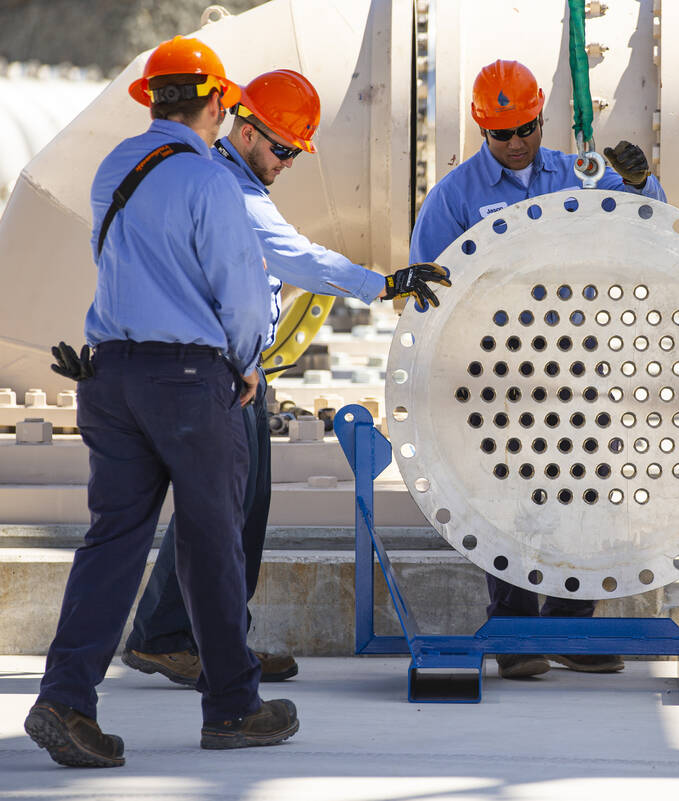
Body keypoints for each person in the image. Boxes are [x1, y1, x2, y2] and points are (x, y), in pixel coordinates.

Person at [120, 68, 450, 688]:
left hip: (236, 366)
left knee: (237, 508)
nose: (288, 160)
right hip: (222, 369)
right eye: (282, 147)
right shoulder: (228, 189)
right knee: (218, 509)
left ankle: (212, 642)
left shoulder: (231, 180)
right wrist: (380, 285)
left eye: (296, 152)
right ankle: (173, 639)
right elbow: (295, 255)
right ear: (244, 130)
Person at [25, 36, 297, 768]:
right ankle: (235, 707)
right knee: (211, 541)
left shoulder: (115, 168)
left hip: (108, 377)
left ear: (153, 99)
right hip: (188, 382)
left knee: (112, 540)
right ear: (214, 102)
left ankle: (65, 699)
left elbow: (115, 262)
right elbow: (242, 292)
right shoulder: (210, 181)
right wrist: (246, 364)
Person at [409, 59, 665, 680]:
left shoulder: (580, 176)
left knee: (586, 493)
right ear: (481, 128)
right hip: (500, 370)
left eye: (526, 128)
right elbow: (428, 290)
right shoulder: (455, 197)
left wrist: (638, 181)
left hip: (581, 361)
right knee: (508, 499)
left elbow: (649, 223)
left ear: (541, 115)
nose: (517, 143)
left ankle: (572, 629)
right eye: (503, 135)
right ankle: (516, 632)